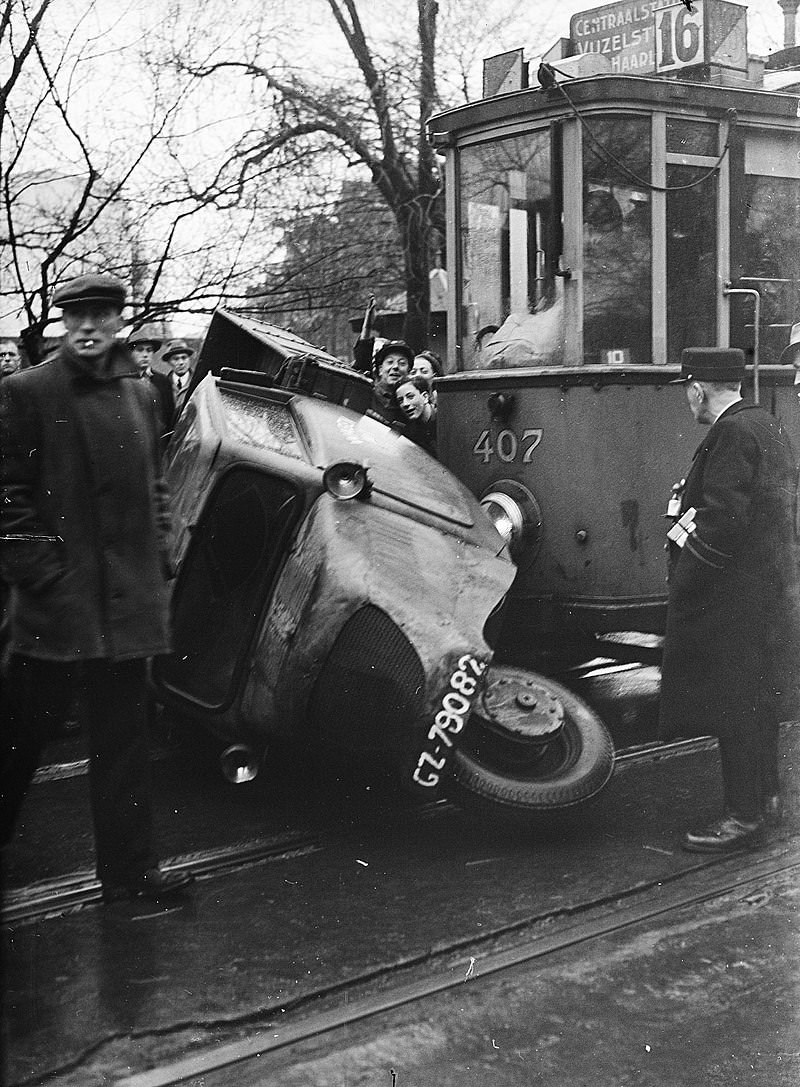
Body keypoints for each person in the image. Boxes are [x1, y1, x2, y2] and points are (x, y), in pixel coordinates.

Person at [0, 272, 194, 902]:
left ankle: (131, 874)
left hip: (125, 608)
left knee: (123, 748)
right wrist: (44, 577)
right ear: (61, 323)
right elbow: (8, 501)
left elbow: (156, 483)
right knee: (18, 742)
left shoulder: (142, 395)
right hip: (58, 611)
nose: (87, 326)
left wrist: (160, 553)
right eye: (75, 316)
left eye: (100, 315)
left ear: (119, 320)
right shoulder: (26, 393)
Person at [659, 347, 800, 853]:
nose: (688, 403)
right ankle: (768, 801)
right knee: (758, 703)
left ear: (697, 389)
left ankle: (743, 817)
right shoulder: (764, 423)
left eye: (687, 393)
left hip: (732, 598)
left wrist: (685, 572)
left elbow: (721, 517)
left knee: (734, 705)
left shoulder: (731, 434)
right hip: (768, 591)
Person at [128, 325, 175, 436]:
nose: (145, 355)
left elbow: (169, 417)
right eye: (140, 350)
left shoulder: (163, 381)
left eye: (149, 350)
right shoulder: (123, 380)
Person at [393, 374, 437, 456]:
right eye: (400, 400)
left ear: (425, 397)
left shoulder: (444, 420)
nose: (405, 404)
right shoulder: (409, 431)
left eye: (410, 397)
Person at [163, 339, 195, 418]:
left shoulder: (197, 382)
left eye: (184, 358)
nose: (181, 362)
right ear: (169, 362)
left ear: (189, 359)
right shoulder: (163, 384)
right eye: (176, 359)